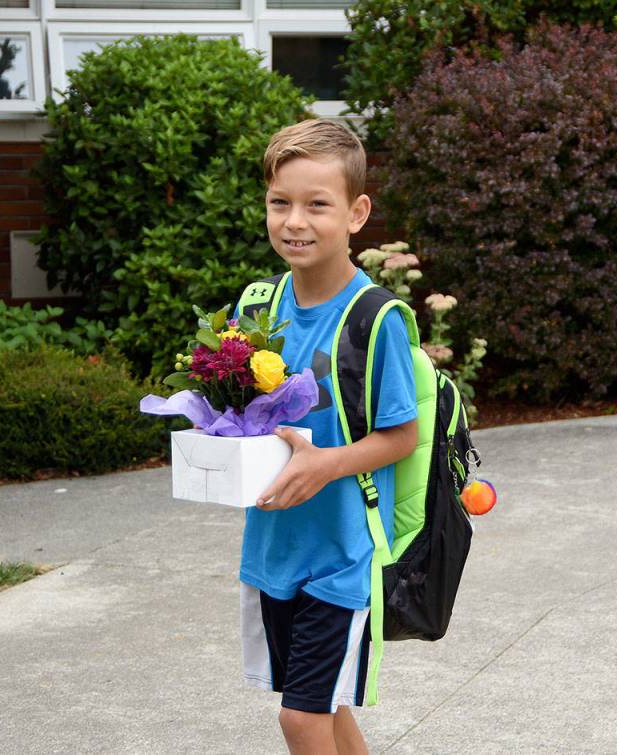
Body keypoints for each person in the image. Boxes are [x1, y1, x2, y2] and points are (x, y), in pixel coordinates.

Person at [237, 119, 418, 755]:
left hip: (343, 555)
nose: (295, 221)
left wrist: (327, 464)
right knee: (330, 709)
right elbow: (244, 415)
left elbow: (401, 435)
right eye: (279, 202)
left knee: (301, 719)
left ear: (356, 212)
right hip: (276, 545)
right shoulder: (257, 308)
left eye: (317, 204)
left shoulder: (375, 319)